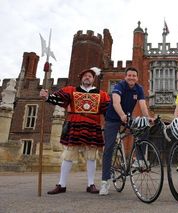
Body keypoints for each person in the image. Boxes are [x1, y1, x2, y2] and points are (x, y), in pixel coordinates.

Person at [40, 67, 110, 195]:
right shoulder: (71, 91)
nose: (87, 77)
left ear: (93, 79)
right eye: (85, 76)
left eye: (90, 76)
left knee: (91, 156)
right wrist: (47, 97)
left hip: (92, 126)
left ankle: (90, 184)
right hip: (75, 124)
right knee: (69, 155)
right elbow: (58, 100)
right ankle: (61, 184)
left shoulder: (102, 94)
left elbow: (108, 111)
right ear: (81, 78)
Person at [100, 67, 153, 195]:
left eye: (134, 76)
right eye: (129, 75)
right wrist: (122, 115)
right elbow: (116, 103)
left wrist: (147, 117)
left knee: (143, 126)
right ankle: (105, 181)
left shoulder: (138, 88)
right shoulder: (119, 86)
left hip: (127, 117)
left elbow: (142, 104)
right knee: (109, 148)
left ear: (137, 78)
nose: (131, 77)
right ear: (125, 76)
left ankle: (139, 160)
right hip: (113, 118)